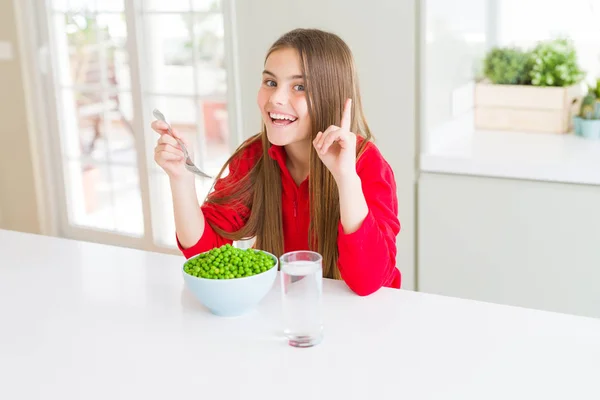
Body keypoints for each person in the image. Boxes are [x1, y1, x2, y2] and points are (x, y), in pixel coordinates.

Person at [151, 28, 401, 295]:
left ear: (330, 96)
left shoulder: (367, 164)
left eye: (299, 87)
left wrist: (346, 179)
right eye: (270, 82)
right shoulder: (254, 157)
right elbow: (203, 252)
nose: (275, 99)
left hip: (361, 320)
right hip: (285, 311)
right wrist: (180, 178)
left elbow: (369, 283)